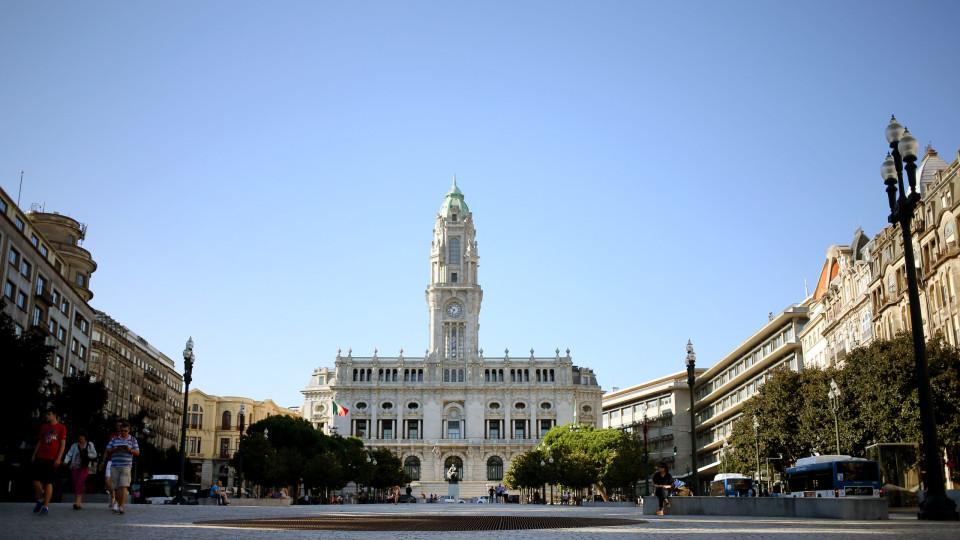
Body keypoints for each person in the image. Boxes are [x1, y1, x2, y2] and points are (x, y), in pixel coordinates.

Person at [30, 409, 67, 516]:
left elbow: (62, 444)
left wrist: (59, 458)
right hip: (41, 455)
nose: (47, 416)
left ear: (55, 415)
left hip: (52, 458)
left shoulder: (61, 427)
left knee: (48, 482)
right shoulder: (44, 427)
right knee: (36, 480)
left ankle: (45, 506)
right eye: (46, 414)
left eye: (49, 414)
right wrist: (34, 454)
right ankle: (40, 499)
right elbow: (40, 441)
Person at [104, 422, 139, 515]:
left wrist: (130, 449)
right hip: (115, 465)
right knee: (116, 487)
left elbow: (137, 452)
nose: (123, 433)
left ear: (129, 430)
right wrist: (115, 450)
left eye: (125, 431)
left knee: (124, 485)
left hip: (126, 465)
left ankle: (121, 506)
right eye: (122, 431)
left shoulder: (132, 439)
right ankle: (119, 505)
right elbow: (107, 449)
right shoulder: (115, 439)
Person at [63, 429, 97, 510]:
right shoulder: (74, 445)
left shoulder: (89, 444)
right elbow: (69, 454)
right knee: (76, 483)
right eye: (79, 436)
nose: (80, 438)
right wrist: (66, 461)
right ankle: (79, 502)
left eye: (82, 436)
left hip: (84, 466)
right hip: (74, 466)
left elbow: (94, 454)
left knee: (80, 482)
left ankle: (77, 502)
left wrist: (87, 455)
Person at [100, 419, 125, 510]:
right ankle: (113, 495)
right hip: (111, 460)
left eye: (120, 425)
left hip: (121, 461)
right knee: (107, 479)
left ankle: (116, 502)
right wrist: (103, 460)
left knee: (118, 482)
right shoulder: (112, 436)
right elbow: (107, 449)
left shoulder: (126, 436)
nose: (118, 427)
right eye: (117, 425)